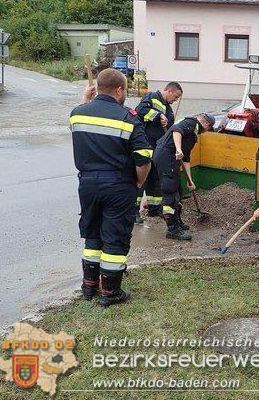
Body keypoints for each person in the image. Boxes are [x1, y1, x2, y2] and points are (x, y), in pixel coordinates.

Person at [70, 69, 152, 307]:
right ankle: (111, 292)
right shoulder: (128, 118)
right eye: (125, 90)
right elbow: (144, 158)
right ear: (119, 90)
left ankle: (89, 286)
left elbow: (79, 119)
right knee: (114, 238)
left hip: (87, 184)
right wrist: (138, 183)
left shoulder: (77, 114)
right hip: (118, 184)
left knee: (93, 233)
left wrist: (86, 99)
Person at [154, 113, 215, 240]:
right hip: (166, 157)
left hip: (173, 160)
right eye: (209, 129)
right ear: (207, 124)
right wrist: (178, 149)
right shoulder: (191, 122)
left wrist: (190, 181)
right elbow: (176, 131)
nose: (205, 132)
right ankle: (172, 229)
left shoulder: (192, 136)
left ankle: (178, 222)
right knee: (170, 193)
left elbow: (186, 159)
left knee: (178, 192)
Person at [134, 82, 182, 222]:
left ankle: (154, 208)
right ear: (169, 91)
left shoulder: (169, 109)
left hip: (158, 149)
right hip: (146, 145)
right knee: (141, 179)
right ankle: (134, 211)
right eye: (176, 96)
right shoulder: (152, 97)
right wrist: (158, 115)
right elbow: (140, 110)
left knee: (154, 179)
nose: (176, 100)